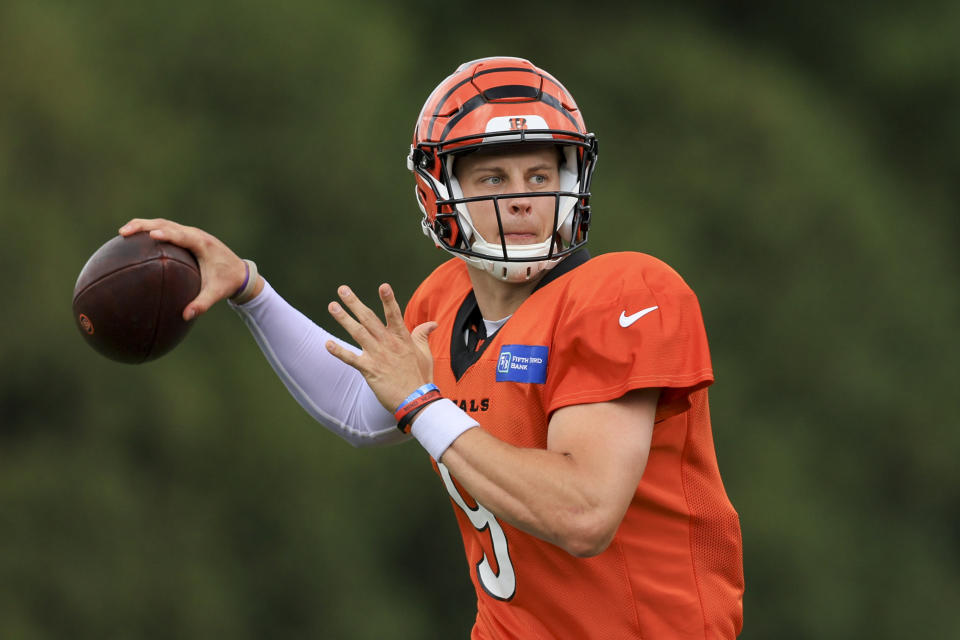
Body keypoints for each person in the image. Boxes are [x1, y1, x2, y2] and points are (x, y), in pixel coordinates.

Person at [120, 57, 744, 639]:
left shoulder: (625, 292)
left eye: (540, 174)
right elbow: (356, 404)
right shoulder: (446, 301)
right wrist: (250, 289)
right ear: (439, 191)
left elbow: (584, 513)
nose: (522, 196)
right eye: (494, 175)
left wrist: (421, 402)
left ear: (570, 181)